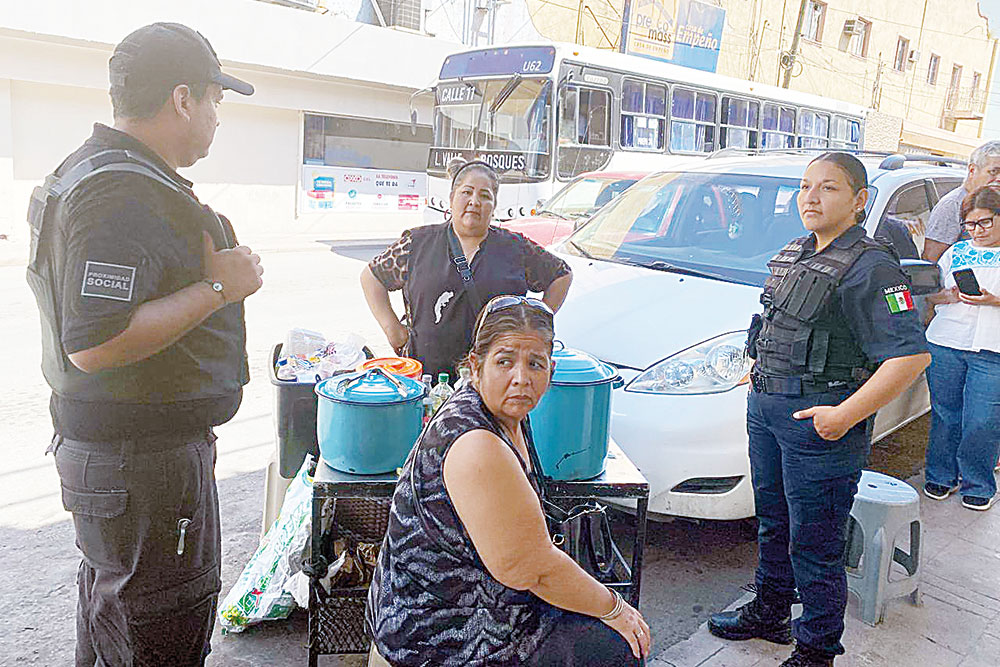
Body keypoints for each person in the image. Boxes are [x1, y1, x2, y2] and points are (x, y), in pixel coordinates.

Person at [26, 23, 262, 666]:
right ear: (182, 99)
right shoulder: (120, 191)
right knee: (158, 631)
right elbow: (95, 341)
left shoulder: (99, 172)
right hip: (143, 468)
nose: (217, 116)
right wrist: (221, 286)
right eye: (215, 99)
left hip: (126, 462)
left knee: (118, 625)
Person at [708, 153, 930, 666]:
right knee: (774, 522)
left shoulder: (873, 267)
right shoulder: (800, 251)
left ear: (859, 201)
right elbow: (783, 323)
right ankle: (769, 612)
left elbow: (911, 356)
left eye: (827, 188)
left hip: (821, 424)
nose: (810, 197)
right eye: (805, 186)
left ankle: (817, 648)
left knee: (816, 543)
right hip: (769, 407)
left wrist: (845, 415)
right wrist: (759, 366)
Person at [366, 296, 650, 666]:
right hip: (438, 632)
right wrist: (615, 609)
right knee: (618, 648)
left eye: (535, 364)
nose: (522, 377)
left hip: (477, 600)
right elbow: (530, 568)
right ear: (476, 366)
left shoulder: (505, 412)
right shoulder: (476, 444)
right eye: (505, 361)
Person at [361, 159, 573, 379]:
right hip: (426, 374)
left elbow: (562, 275)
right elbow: (371, 277)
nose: (474, 201)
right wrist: (393, 330)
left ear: (494, 205)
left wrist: (533, 326)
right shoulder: (417, 243)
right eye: (467, 192)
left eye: (485, 196)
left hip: (494, 379)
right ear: (452, 199)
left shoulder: (515, 248)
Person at [921, 185, 1000, 511]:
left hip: (992, 350)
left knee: (983, 420)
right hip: (946, 342)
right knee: (944, 414)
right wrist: (948, 295)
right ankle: (941, 474)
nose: (976, 231)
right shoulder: (956, 251)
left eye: (984, 223)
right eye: (970, 224)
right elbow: (932, 293)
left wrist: (994, 300)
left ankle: (978, 482)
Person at [922, 140, 1000, 263]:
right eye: (994, 172)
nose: (999, 179)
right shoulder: (952, 205)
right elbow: (931, 262)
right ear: (972, 170)